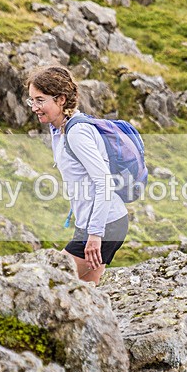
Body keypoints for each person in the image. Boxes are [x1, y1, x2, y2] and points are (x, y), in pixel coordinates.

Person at [25, 65, 129, 286]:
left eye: (40, 100)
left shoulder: (76, 133)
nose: (34, 107)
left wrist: (94, 235)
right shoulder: (60, 129)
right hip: (101, 223)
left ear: (61, 99)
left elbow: (104, 183)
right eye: (31, 100)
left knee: (48, 283)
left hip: (104, 225)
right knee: (86, 293)